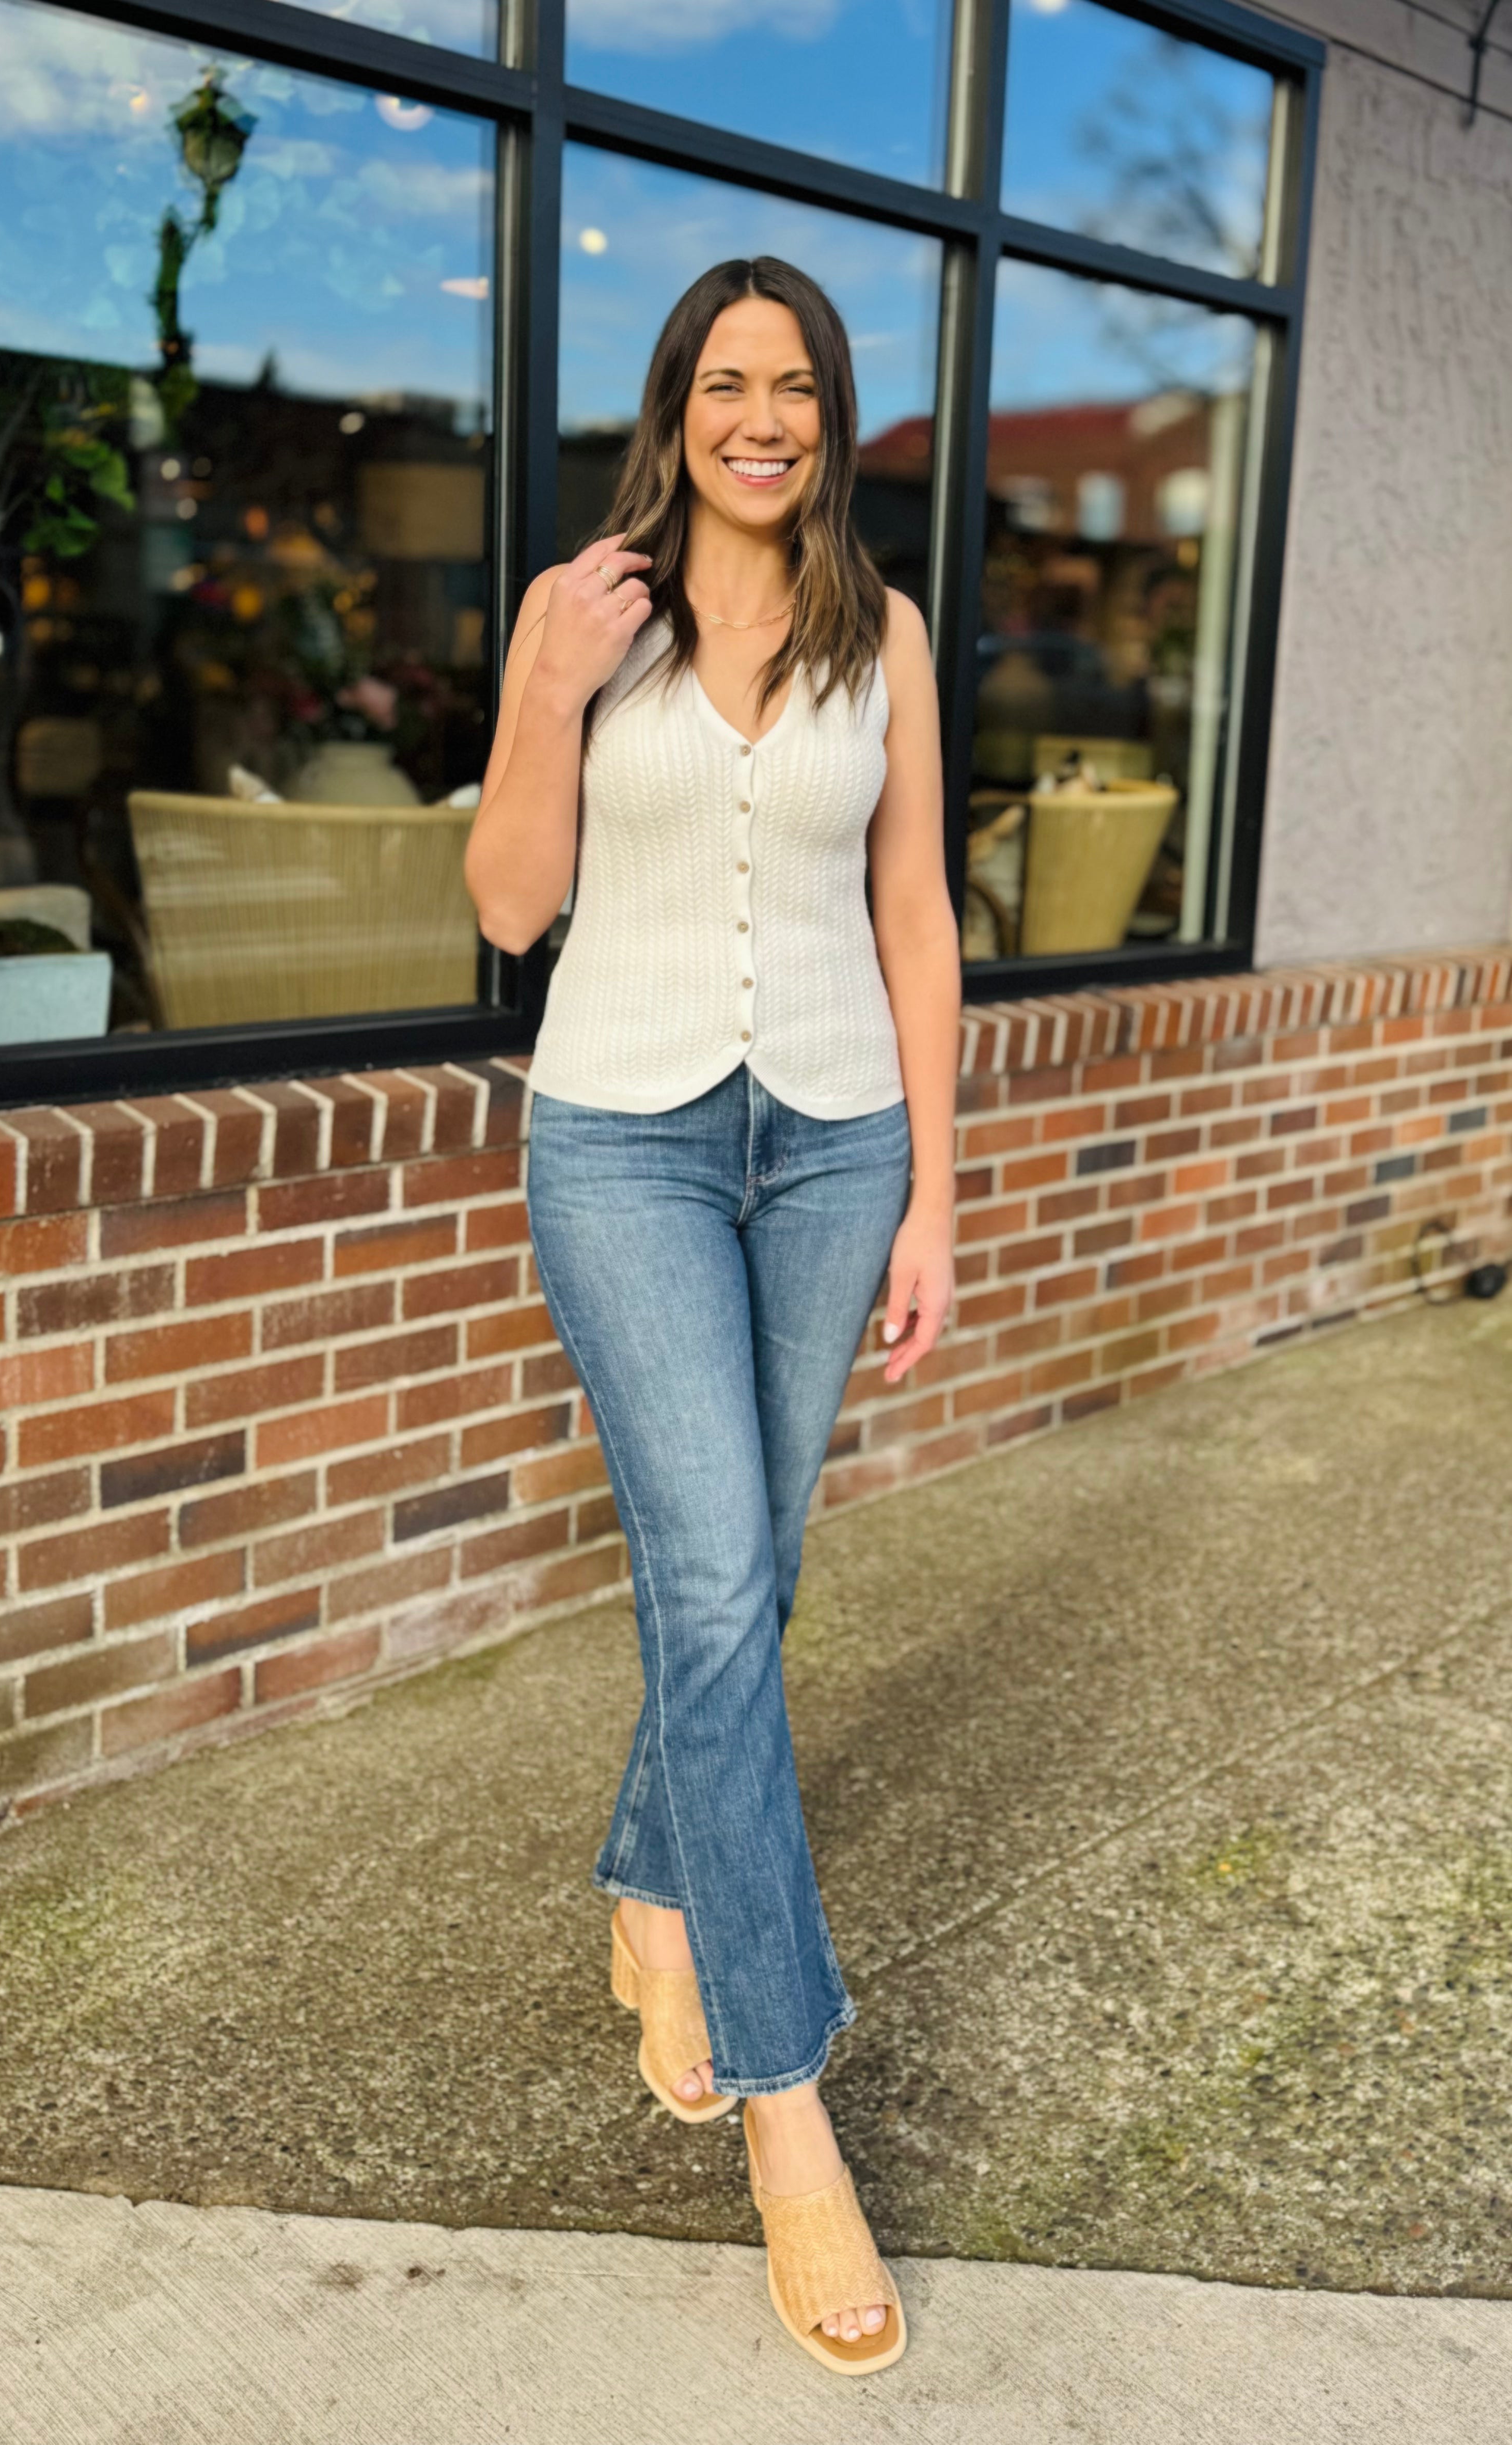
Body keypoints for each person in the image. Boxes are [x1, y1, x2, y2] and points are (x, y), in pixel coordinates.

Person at [464, 256, 959, 2376]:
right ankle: (789, 2094)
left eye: (798, 386)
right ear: (678, 404)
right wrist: (537, 691)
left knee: (739, 1592)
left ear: (831, 420)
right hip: (628, 1144)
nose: (762, 415)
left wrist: (940, 1180)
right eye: (726, 380)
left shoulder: (888, 633)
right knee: (722, 1563)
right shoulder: (594, 613)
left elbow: (919, 908)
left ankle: (652, 1888)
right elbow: (508, 906)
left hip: (840, 1143)